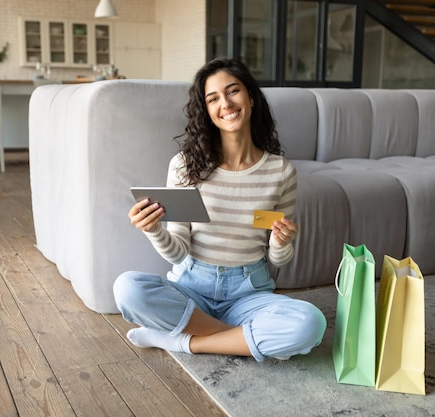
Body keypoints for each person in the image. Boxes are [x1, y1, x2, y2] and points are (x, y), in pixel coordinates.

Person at [113, 57, 326, 361]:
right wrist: (153, 230)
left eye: (233, 91)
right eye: (213, 98)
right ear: (207, 112)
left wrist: (282, 242)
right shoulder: (184, 167)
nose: (225, 103)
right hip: (191, 287)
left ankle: (186, 341)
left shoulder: (281, 172)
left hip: (248, 292)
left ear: (251, 97)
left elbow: (277, 258)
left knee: (311, 323)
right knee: (128, 289)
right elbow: (177, 252)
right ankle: (237, 336)